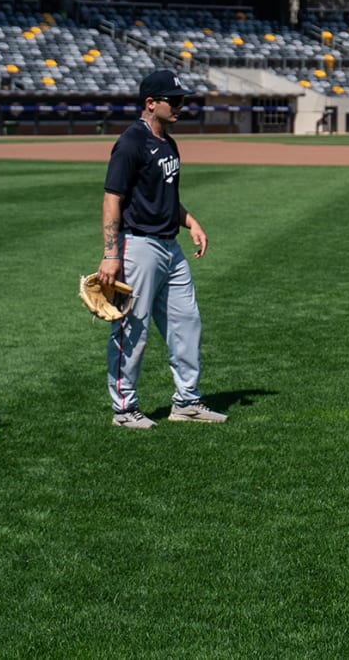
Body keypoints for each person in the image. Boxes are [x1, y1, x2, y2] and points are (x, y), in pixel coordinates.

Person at [97, 69, 223, 428]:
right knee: (131, 328)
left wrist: (190, 221)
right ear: (151, 103)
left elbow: (164, 196)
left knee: (187, 323)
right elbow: (112, 199)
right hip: (138, 246)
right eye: (175, 100)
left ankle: (187, 401)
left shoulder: (168, 142)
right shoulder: (131, 142)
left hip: (170, 246)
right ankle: (124, 409)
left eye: (182, 99)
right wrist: (111, 254)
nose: (181, 105)